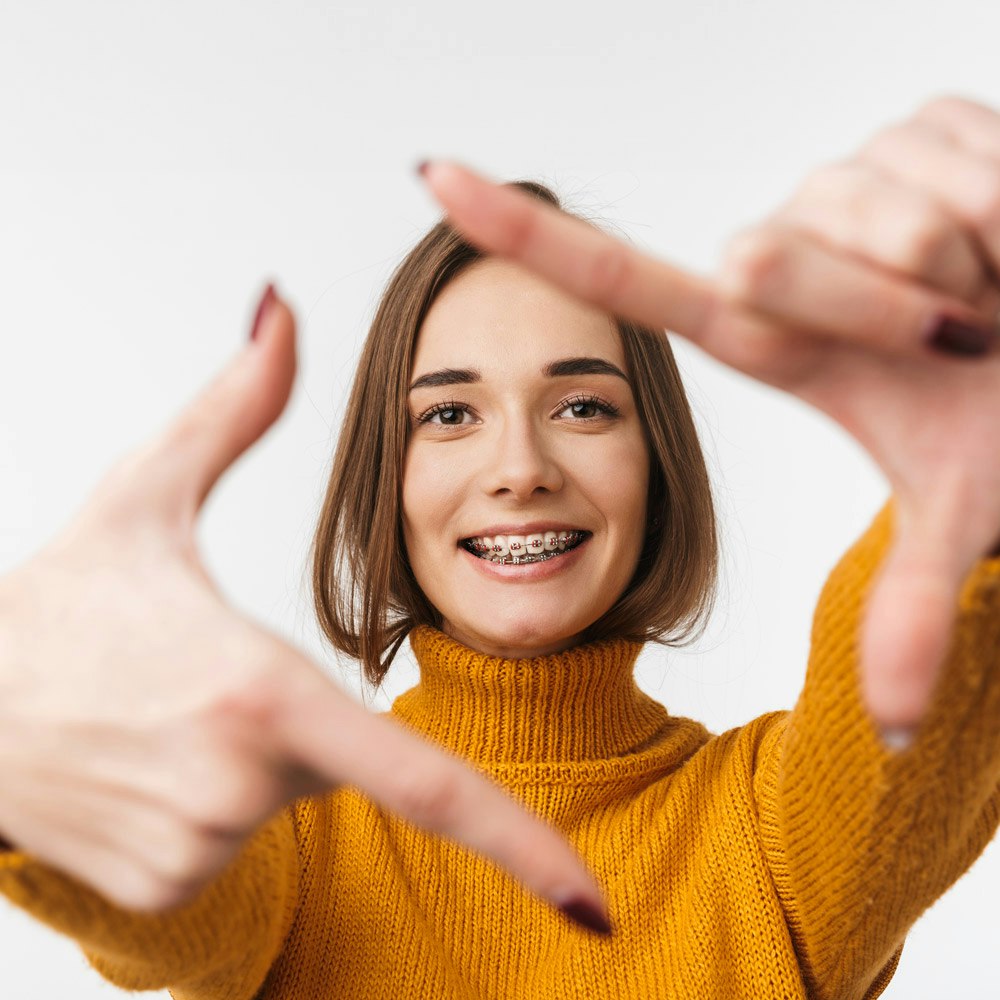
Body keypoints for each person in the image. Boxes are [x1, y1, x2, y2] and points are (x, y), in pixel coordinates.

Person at [1, 94, 999, 999]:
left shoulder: (779, 838)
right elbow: (154, 904)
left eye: (580, 405)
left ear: (656, 466)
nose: (519, 465)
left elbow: (912, 677)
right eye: (447, 415)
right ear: (382, 478)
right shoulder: (293, 840)